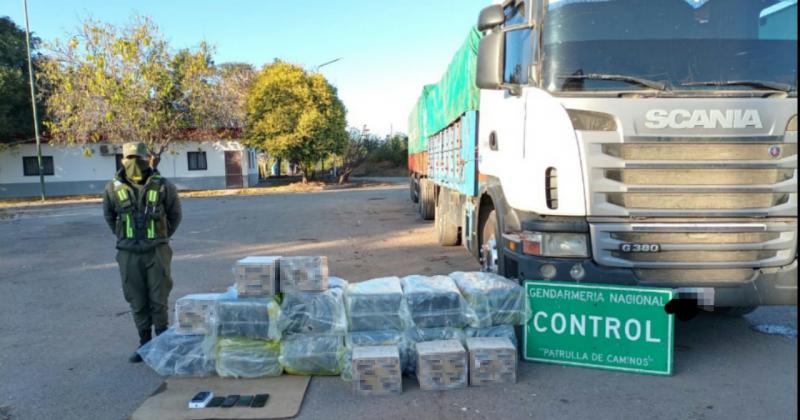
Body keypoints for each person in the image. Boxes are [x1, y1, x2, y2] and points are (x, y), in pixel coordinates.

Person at [102, 142, 182, 363]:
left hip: (157, 250)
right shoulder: (112, 188)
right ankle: (145, 345)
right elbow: (109, 216)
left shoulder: (164, 186)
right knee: (136, 300)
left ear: (148, 159)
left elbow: (175, 215)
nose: (133, 162)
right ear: (122, 160)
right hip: (128, 253)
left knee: (159, 298)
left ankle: (163, 344)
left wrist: (160, 237)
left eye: (138, 157)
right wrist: (126, 239)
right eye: (129, 157)